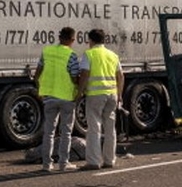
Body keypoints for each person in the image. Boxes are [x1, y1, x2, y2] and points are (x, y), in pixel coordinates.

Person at [76, 29, 124, 170]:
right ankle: (109, 160)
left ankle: (93, 161)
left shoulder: (89, 54)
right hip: (112, 94)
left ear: (91, 40)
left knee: (94, 128)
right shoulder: (113, 55)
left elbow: (85, 74)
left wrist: (79, 92)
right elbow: (121, 76)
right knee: (110, 128)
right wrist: (119, 94)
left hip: (95, 95)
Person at [34, 27, 80, 172]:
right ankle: (63, 163)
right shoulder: (71, 55)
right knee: (66, 132)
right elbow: (74, 76)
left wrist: (41, 90)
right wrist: (80, 89)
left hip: (49, 98)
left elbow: (37, 75)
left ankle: (46, 164)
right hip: (66, 98)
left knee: (49, 132)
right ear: (72, 40)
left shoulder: (46, 52)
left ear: (59, 37)